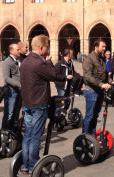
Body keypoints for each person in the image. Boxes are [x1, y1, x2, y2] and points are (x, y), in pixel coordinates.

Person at [20, 35, 71, 175]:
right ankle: (33, 166)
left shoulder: (25, 62)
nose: (48, 49)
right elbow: (54, 75)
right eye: (47, 47)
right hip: (39, 105)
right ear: (41, 47)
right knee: (36, 136)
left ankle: (25, 165)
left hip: (27, 104)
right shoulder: (38, 63)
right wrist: (48, 62)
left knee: (28, 136)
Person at [82, 40, 112, 135]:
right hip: (91, 90)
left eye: (105, 47)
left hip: (99, 90)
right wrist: (101, 84)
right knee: (89, 115)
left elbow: (104, 74)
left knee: (95, 115)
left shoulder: (101, 58)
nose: (104, 48)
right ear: (96, 46)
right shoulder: (89, 59)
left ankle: (92, 135)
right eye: (102, 46)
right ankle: (84, 137)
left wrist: (110, 82)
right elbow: (87, 76)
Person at [2, 43, 22, 131]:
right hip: (11, 91)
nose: (19, 51)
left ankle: (12, 132)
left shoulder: (17, 60)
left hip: (18, 90)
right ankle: (5, 132)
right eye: (18, 50)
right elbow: (6, 78)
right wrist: (18, 84)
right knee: (9, 113)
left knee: (15, 112)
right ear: (11, 51)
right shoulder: (7, 61)